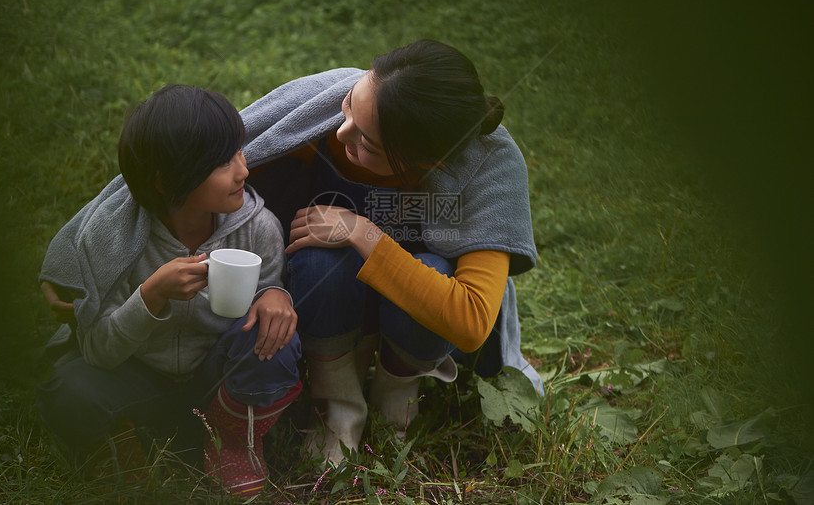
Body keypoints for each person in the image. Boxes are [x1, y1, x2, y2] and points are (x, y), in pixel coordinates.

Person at [240, 39, 543, 464]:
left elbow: (472, 319)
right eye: (348, 105)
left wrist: (362, 231)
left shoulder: (486, 165)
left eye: (368, 143)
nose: (341, 131)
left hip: (417, 322)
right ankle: (337, 407)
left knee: (434, 268)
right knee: (318, 257)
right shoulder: (320, 115)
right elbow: (217, 172)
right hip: (324, 304)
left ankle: (395, 401)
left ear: (430, 164)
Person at [36, 84, 302, 497]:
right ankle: (124, 439)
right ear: (166, 181)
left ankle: (231, 439)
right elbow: (97, 351)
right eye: (221, 163)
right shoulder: (113, 237)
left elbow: (267, 294)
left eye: (239, 151)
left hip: (215, 381)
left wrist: (275, 295)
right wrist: (149, 296)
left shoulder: (258, 227)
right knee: (66, 389)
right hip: (138, 378)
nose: (243, 170)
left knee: (276, 341)